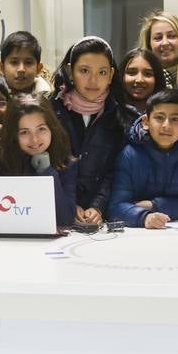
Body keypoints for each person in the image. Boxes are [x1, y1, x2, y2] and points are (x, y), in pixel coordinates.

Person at [49, 36, 135, 225]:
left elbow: (117, 171)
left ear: (111, 75)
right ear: (70, 72)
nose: (93, 80)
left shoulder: (122, 116)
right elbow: (45, 165)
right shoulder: (49, 111)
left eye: (102, 72)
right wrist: (68, 204)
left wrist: (98, 206)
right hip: (55, 214)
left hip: (101, 218)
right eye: (84, 71)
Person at [108, 89, 178, 229]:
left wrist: (155, 205)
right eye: (159, 118)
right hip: (138, 234)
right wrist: (144, 216)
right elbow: (116, 206)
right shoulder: (129, 154)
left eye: (175, 119)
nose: (166, 125)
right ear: (146, 121)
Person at [0, 97, 78, 227]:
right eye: (24, 132)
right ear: (14, 135)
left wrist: (47, 172)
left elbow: (65, 220)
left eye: (41, 129)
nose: (35, 139)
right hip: (7, 238)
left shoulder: (65, 161)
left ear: (52, 129)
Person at [138, 11, 178, 93]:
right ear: (149, 44)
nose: (165, 43)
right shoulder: (140, 80)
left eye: (171, 36)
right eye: (158, 38)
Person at [0, 31, 50, 98]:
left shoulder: (51, 100)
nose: (21, 69)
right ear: (2, 67)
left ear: (38, 68)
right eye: (14, 62)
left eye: (28, 62)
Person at [119, 47, 165, 112]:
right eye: (132, 73)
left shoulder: (169, 113)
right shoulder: (107, 112)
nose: (139, 80)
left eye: (148, 74)